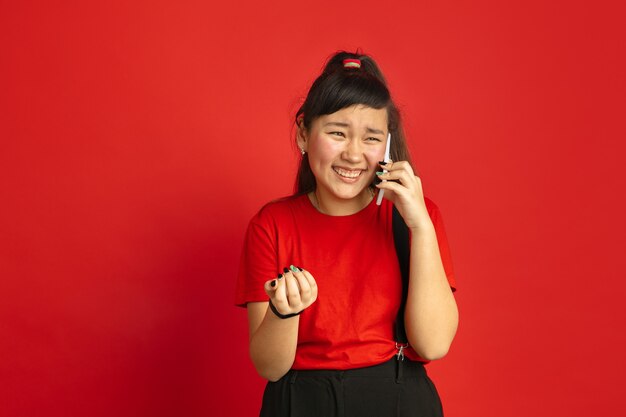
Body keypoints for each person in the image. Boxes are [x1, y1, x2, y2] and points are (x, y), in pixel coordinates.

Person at [235, 51, 458, 417]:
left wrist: (420, 225)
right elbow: (269, 367)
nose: (354, 155)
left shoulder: (418, 216)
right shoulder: (271, 225)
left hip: (398, 400)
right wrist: (283, 312)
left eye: (371, 138)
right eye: (338, 133)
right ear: (304, 133)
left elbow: (433, 344)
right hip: (300, 401)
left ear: (387, 145)